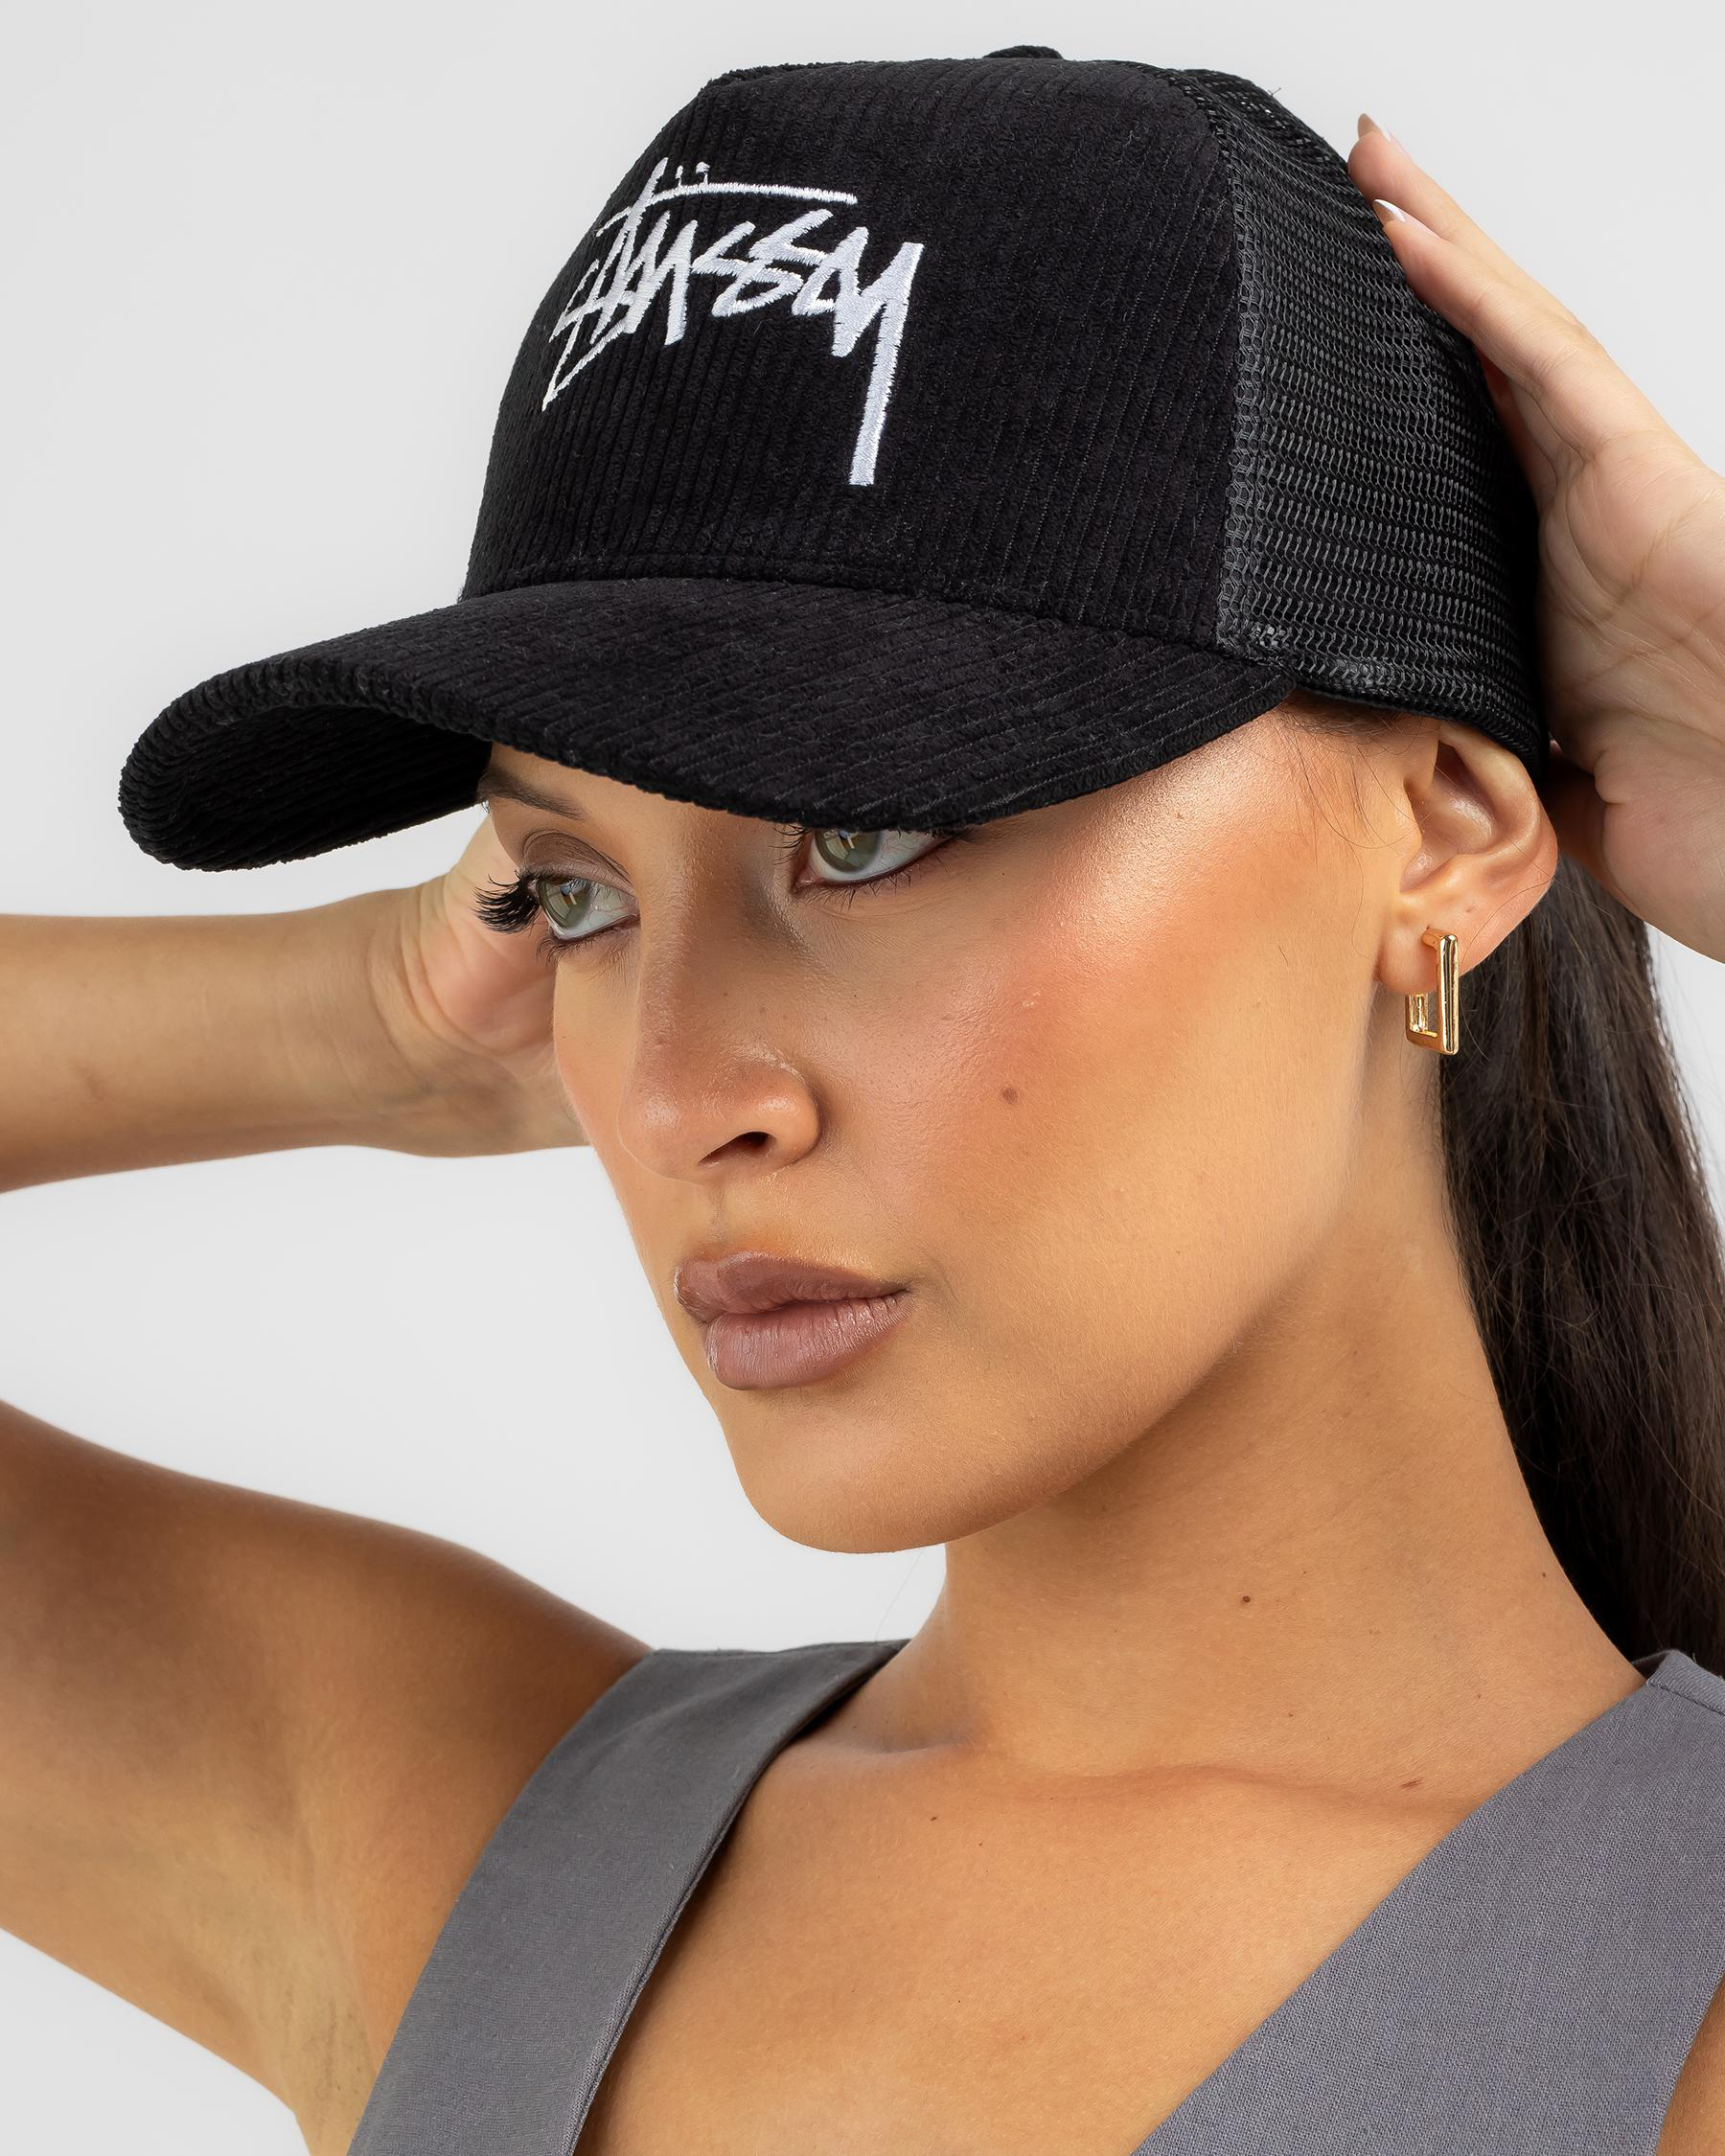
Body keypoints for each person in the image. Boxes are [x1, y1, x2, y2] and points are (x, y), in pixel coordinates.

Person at [6, 51, 1725, 2156]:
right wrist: (379, 1018)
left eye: (869, 836)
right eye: (575, 889)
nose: (674, 1096)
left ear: (1445, 832)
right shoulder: (445, 1853)